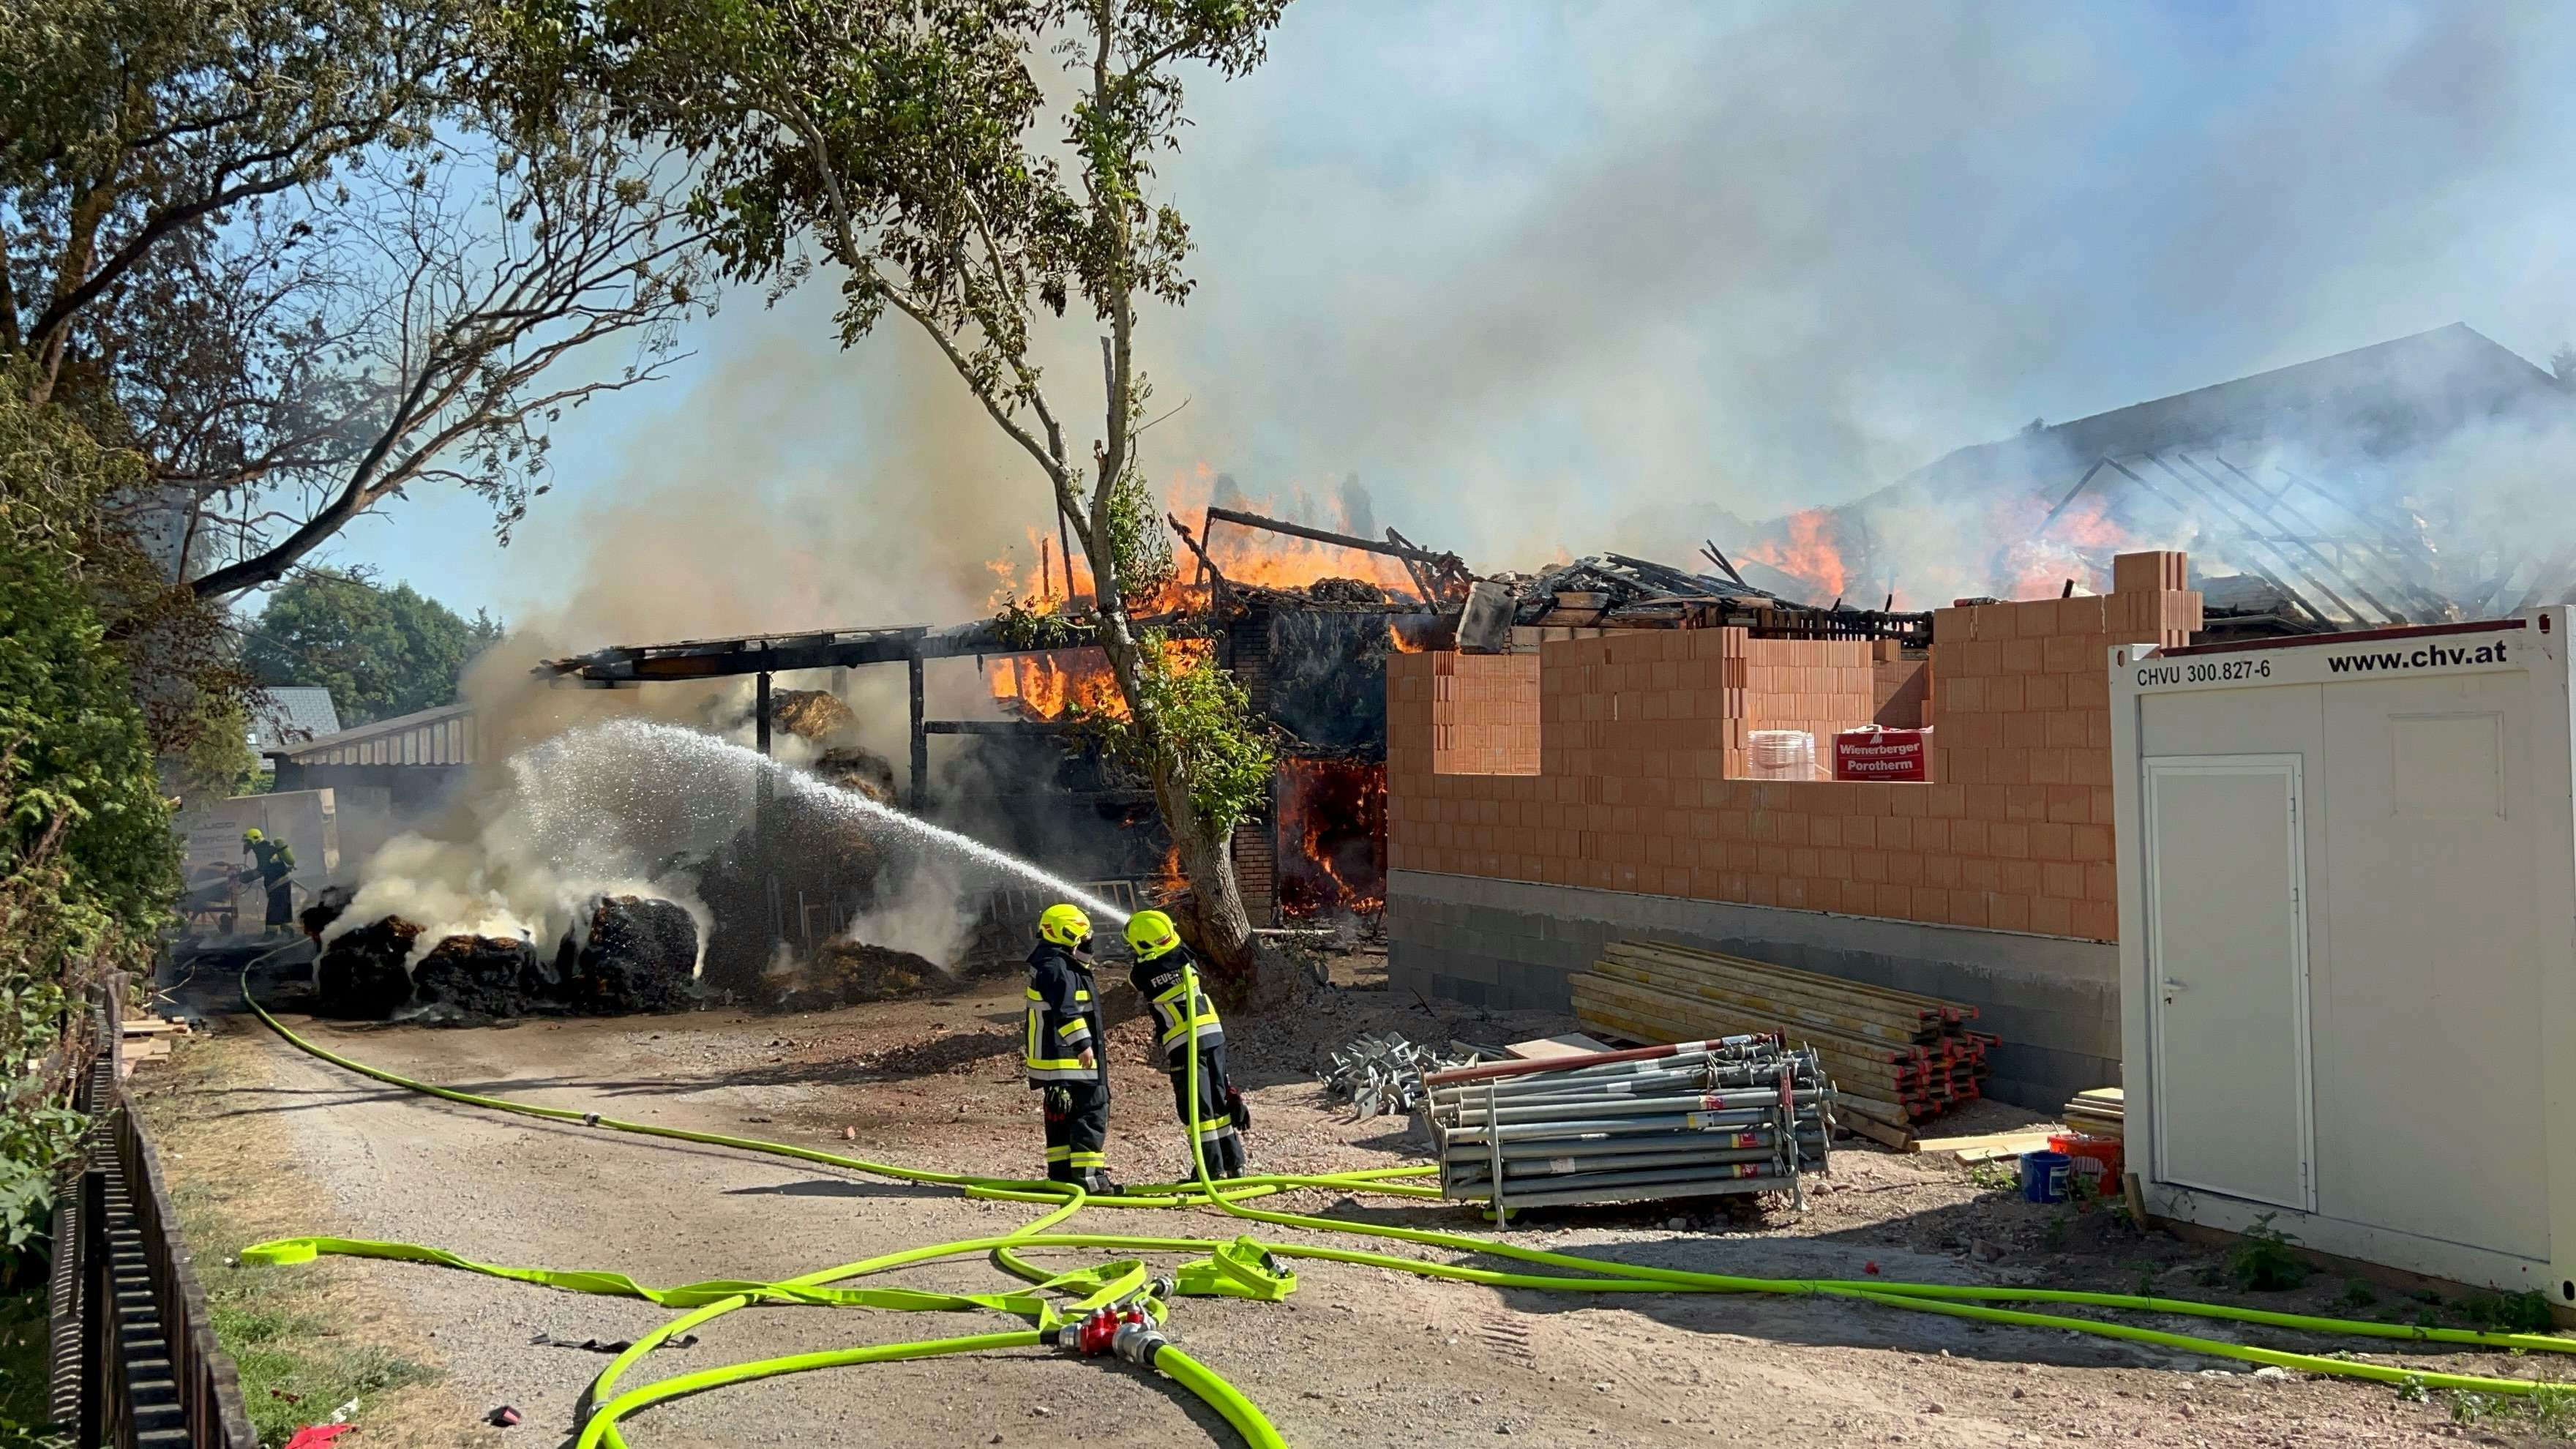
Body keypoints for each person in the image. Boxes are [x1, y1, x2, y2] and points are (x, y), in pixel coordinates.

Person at [1123, 909, 1248, 1180]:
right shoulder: (1185, 956)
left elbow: (1134, 981)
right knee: (1217, 1099)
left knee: (1196, 1108)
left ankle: (1209, 1169)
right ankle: (1234, 1163)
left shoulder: (1144, 972)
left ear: (1144, 945)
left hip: (1185, 1043)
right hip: (1214, 1035)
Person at [1025, 903, 1117, 1195]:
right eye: (1080, 933)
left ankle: (1062, 1177)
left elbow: (1081, 968)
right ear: (1064, 932)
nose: (1084, 937)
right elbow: (1066, 1011)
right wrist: (1084, 1045)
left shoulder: (1051, 961)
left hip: (1055, 1062)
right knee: (1091, 1111)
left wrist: (1086, 945)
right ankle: (1089, 1181)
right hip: (1070, 1058)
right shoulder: (1056, 968)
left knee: (1060, 1118)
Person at [241, 828, 296, 938]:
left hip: (277, 883)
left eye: (247, 841)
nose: (246, 844)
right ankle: (287, 930)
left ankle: (271, 933)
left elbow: (262, 870)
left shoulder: (262, 850)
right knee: (284, 906)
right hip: (283, 881)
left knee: (274, 907)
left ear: (254, 840)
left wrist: (246, 877)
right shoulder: (266, 848)